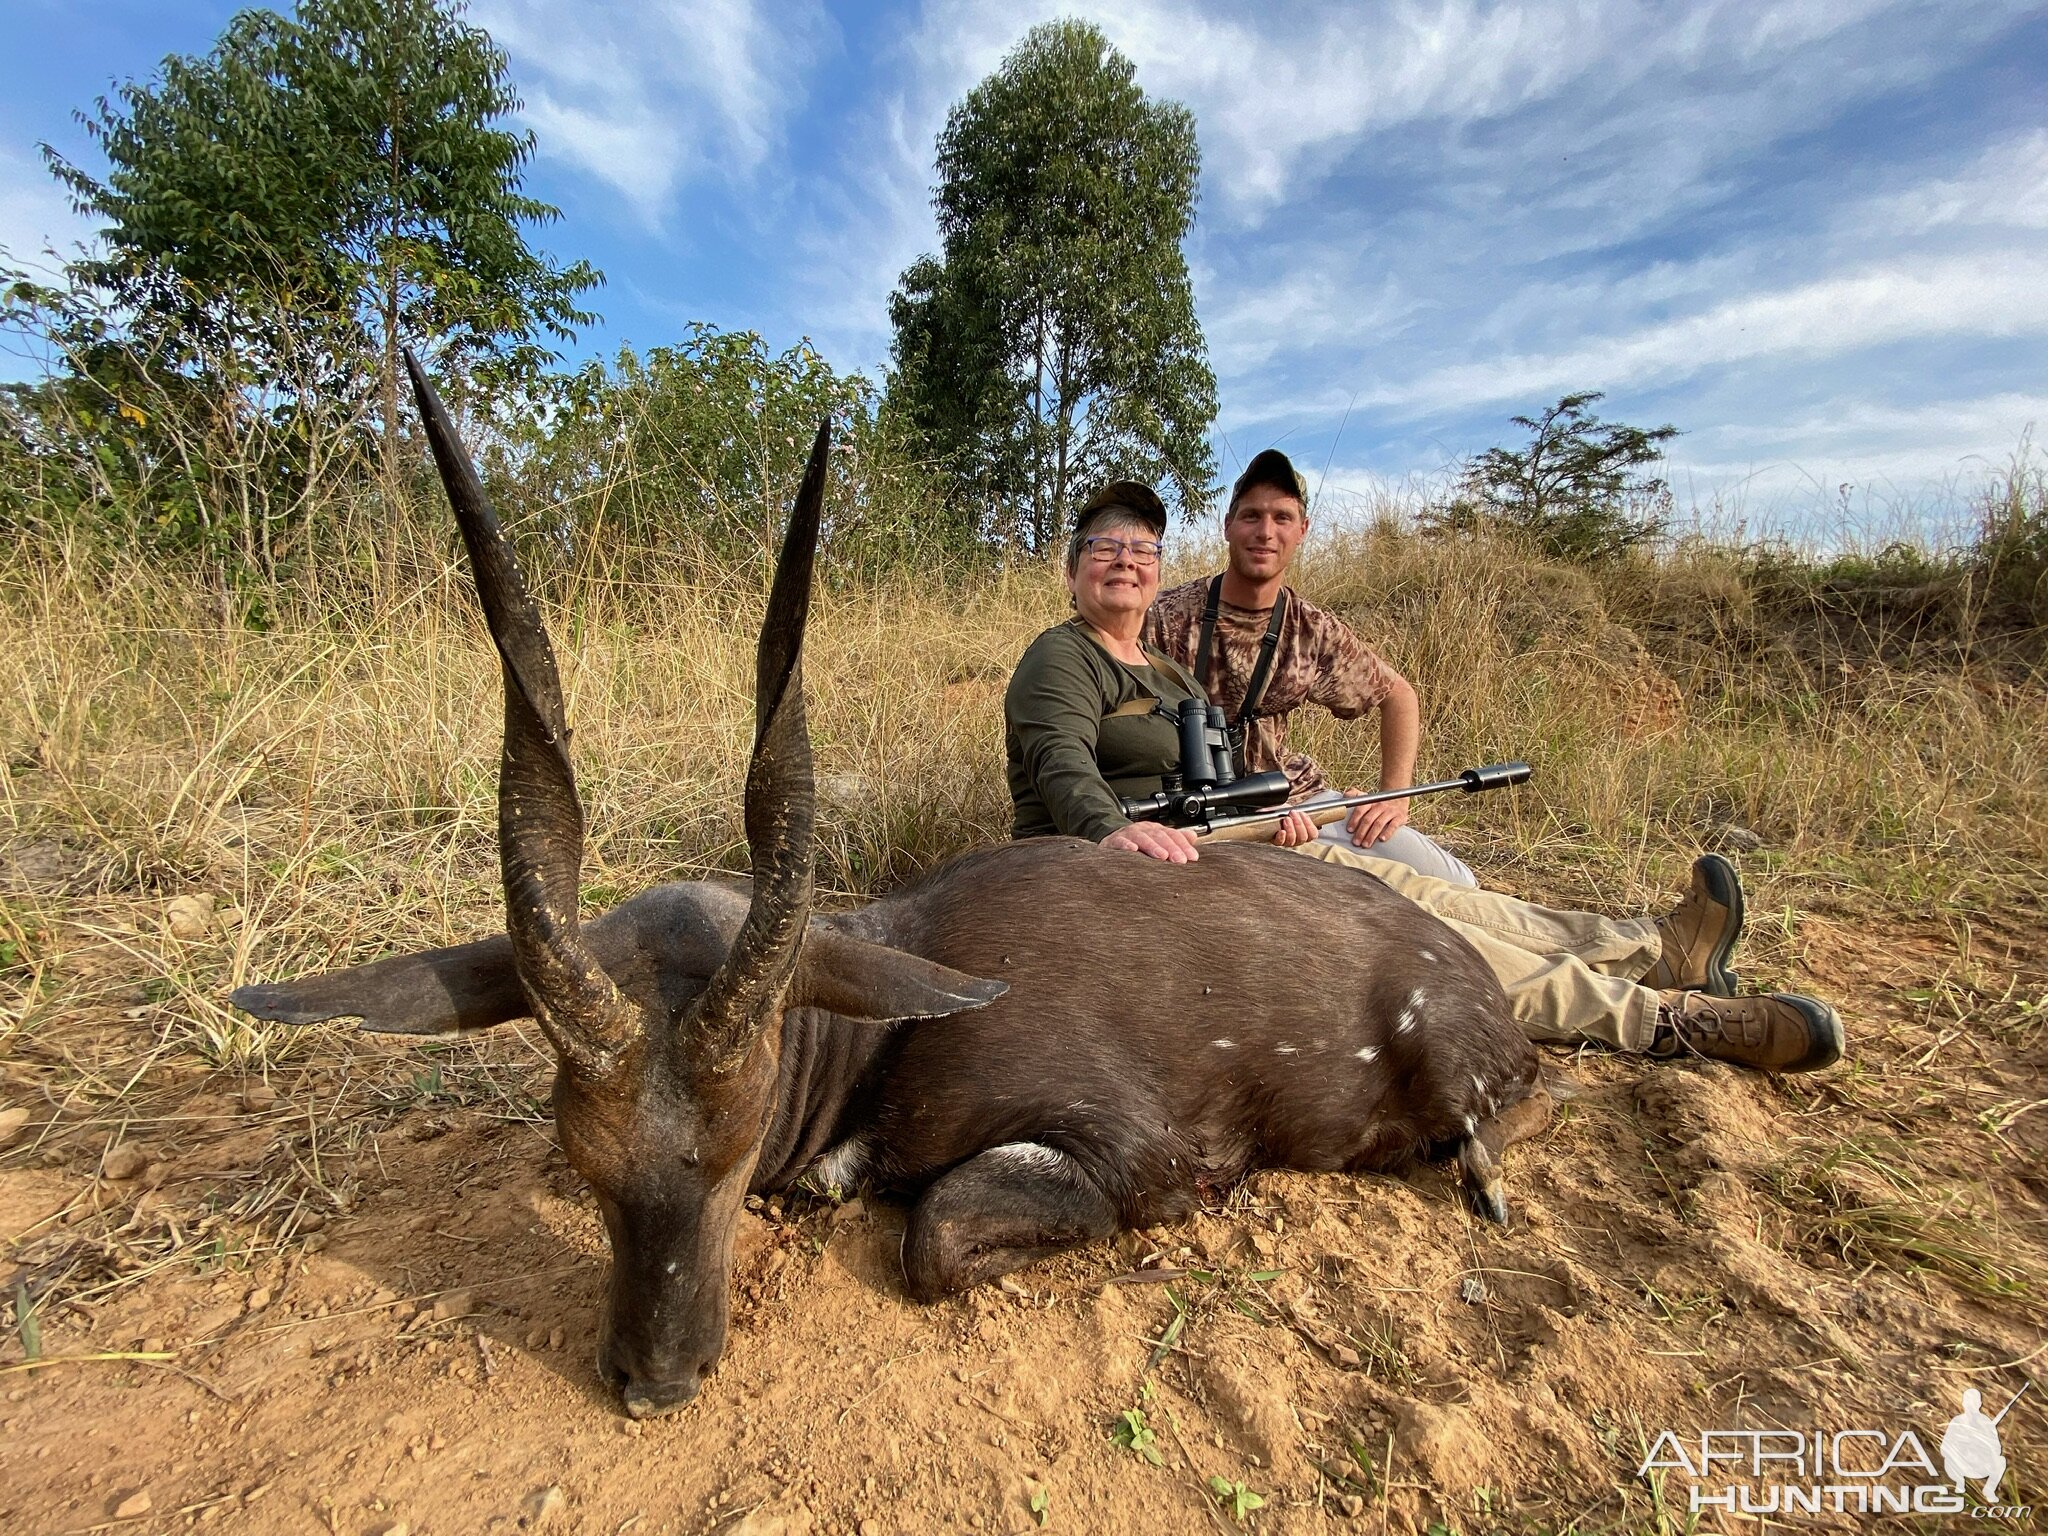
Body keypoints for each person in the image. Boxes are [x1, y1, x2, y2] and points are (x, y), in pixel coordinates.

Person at [1003, 479, 1845, 1074]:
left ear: (1157, 568)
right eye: (1104, 548)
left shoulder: (1171, 674)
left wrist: (1281, 820)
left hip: (1227, 852)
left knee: (1434, 899)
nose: (1125, 561)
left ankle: (1654, 947)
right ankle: (1665, 1023)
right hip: (1117, 881)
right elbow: (1061, 765)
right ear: (1075, 569)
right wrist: (1116, 830)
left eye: (1142, 549)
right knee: (1415, 943)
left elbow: (1222, 784)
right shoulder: (1060, 656)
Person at [1147, 447, 1476, 886]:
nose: (1265, 532)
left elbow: (1399, 696)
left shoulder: (1313, 629)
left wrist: (1392, 799)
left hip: (1296, 804)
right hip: (1196, 815)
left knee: (1455, 881)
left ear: (1302, 530)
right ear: (1228, 526)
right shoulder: (1164, 614)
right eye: (1251, 516)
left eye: (1282, 518)